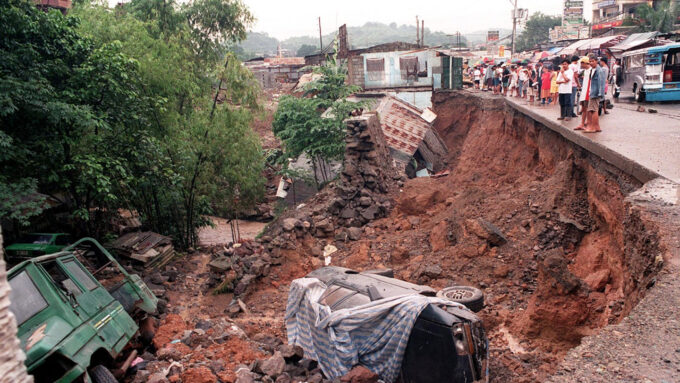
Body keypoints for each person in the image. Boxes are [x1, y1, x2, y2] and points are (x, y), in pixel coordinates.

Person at [585, 55, 606, 133]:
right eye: (590, 61)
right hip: (592, 91)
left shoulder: (599, 70)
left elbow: (601, 83)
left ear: (596, 61)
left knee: (593, 110)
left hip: (595, 93)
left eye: (592, 61)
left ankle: (593, 127)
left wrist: (600, 93)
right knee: (593, 109)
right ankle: (597, 127)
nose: (591, 63)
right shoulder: (592, 70)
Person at [575, 56, 592, 131]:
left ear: (585, 63)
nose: (581, 65)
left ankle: (588, 124)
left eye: (581, 64)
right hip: (584, 92)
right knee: (584, 109)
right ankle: (582, 123)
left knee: (588, 109)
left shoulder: (591, 71)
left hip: (589, 92)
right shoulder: (585, 71)